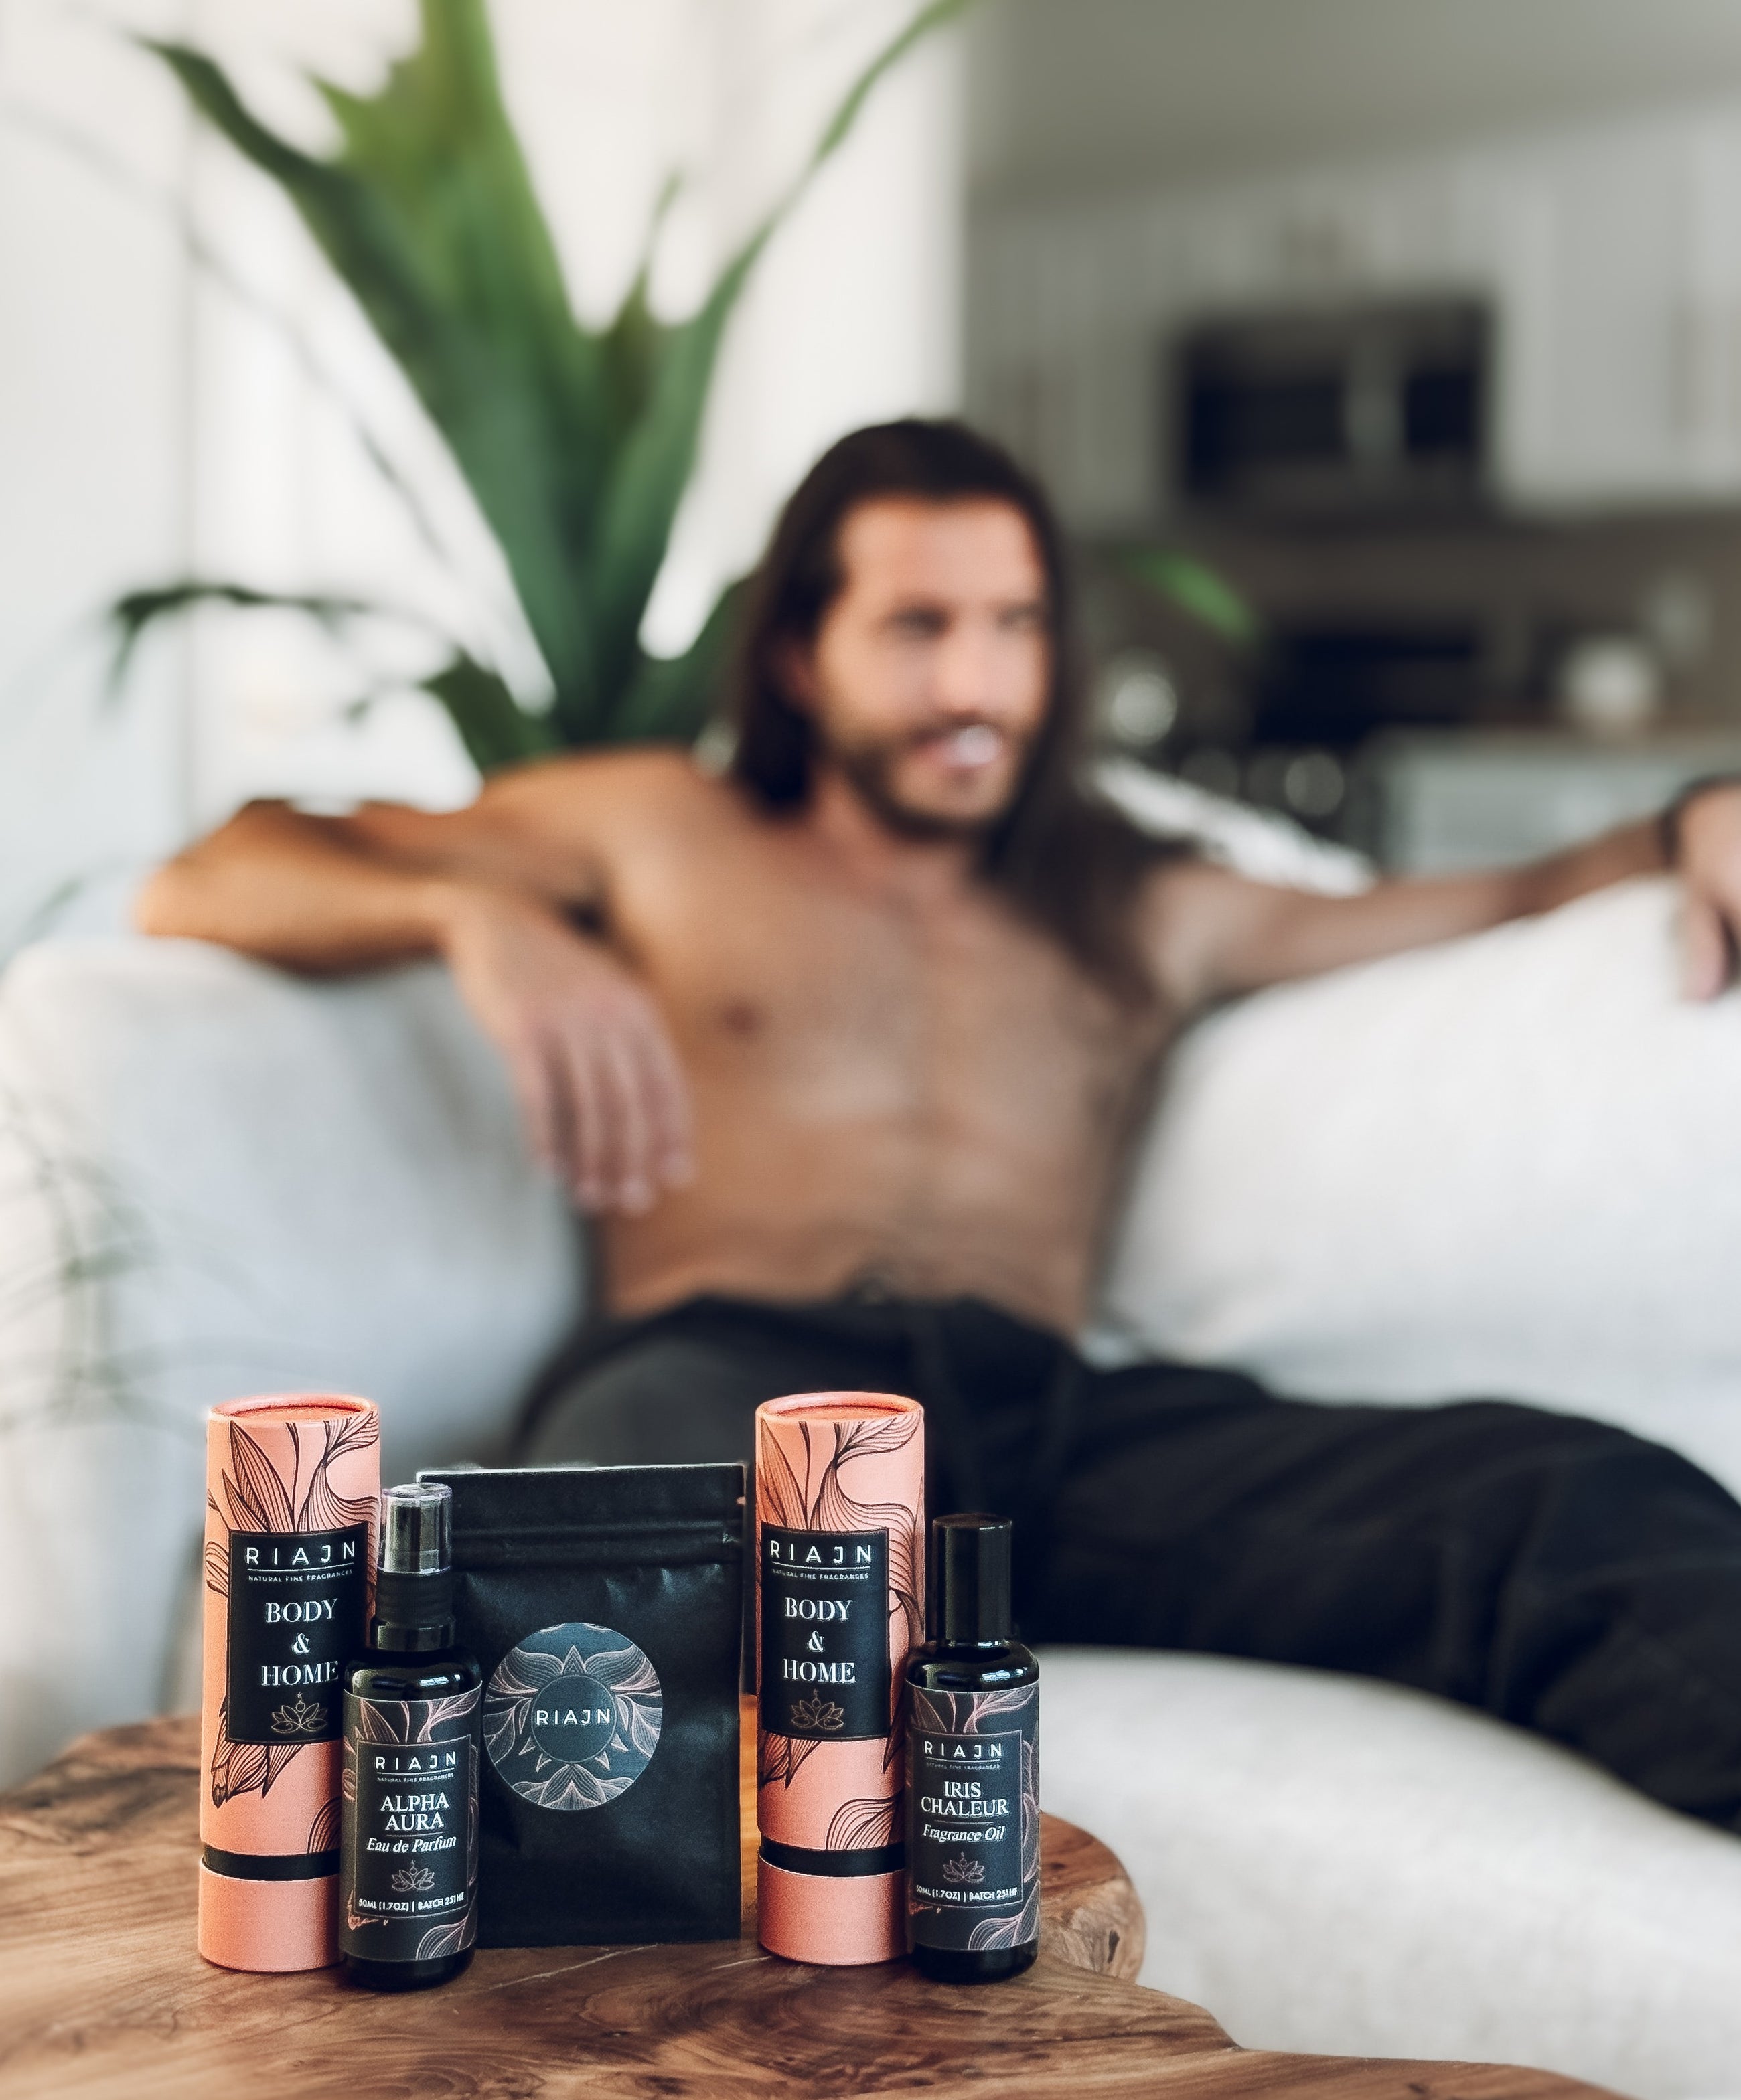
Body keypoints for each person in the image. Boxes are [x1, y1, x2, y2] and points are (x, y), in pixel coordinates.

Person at [139, 419, 1741, 1830]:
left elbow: (1509, 893)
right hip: (724, 1387)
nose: (973, 684)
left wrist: (1688, 820)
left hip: (1040, 1437)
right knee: (594, 1624)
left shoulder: (1135, 900)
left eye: (1014, 626)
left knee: (1569, 1498)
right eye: (916, 627)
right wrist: (475, 922)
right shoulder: (655, 831)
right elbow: (208, 874)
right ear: (798, 656)